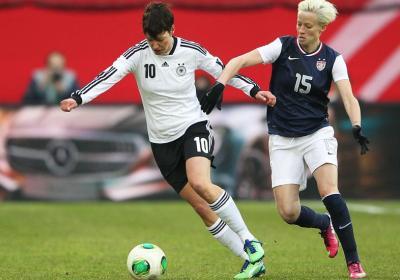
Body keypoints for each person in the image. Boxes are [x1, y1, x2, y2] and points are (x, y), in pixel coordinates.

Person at [59, 2, 276, 278]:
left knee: (201, 183)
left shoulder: (191, 51)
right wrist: (78, 98)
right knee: (201, 208)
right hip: (161, 143)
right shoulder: (137, 54)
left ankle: (250, 240)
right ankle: (250, 260)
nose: (156, 46)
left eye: (160, 39)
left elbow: (224, 70)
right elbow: (108, 77)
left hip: (193, 127)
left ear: (172, 30)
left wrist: (255, 91)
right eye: (150, 40)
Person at [200, 0, 369, 278]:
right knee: (288, 212)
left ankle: (354, 262)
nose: (301, 29)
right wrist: (220, 84)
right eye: (299, 23)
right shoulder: (283, 47)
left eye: (308, 26)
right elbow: (239, 61)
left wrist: (357, 126)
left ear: (322, 28)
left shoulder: (333, 59)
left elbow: (348, 97)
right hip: (282, 138)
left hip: (317, 133)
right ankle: (324, 224)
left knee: (330, 192)